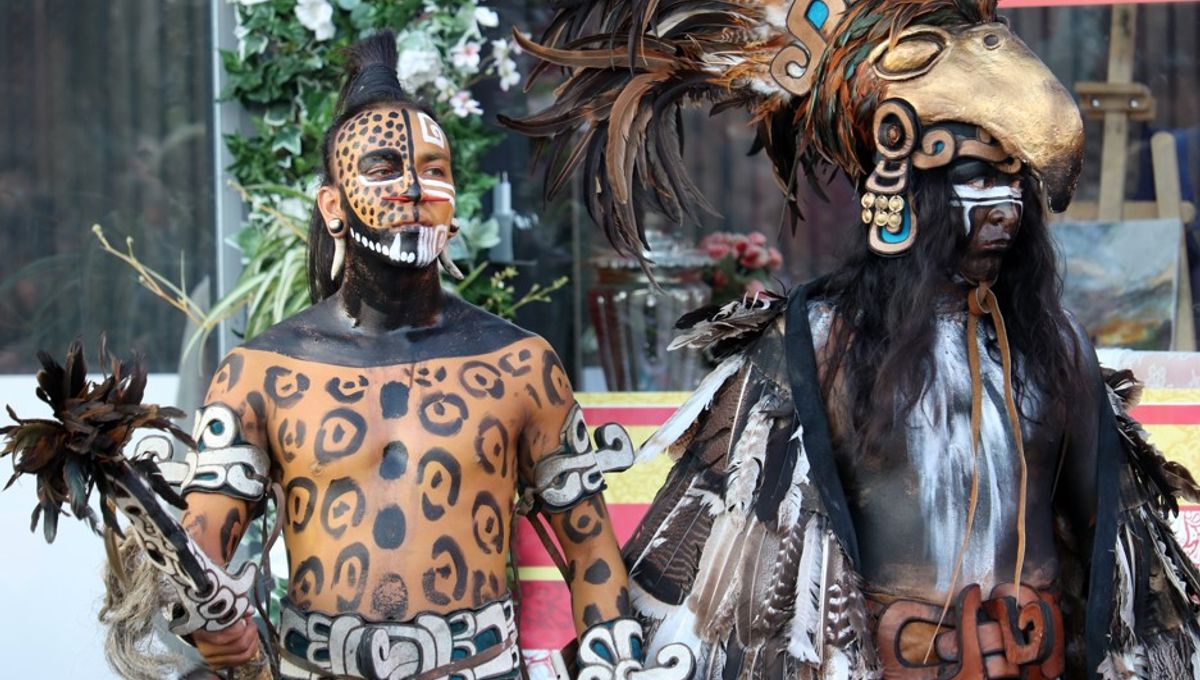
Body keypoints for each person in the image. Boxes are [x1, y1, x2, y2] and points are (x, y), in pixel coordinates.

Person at [509, 0, 1200, 677]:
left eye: (1014, 181)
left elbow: (1111, 537)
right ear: (904, 192)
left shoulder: (1056, 342)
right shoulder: (815, 343)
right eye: (975, 180)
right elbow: (725, 549)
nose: (1007, 209)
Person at [180, 32, 691, 679]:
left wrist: (613, 660)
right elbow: (197, 552)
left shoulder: (519, 367)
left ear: (453, 204)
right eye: (383, 168)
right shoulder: (262, 374)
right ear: (333, 207)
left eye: (434, 169)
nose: (414, 188)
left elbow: (591, 554)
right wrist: (205, 617)